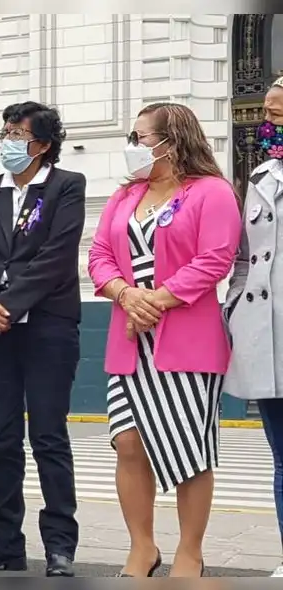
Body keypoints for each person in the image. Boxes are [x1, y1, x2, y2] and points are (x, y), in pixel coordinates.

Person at [87, 102, 241, 577]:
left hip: (187, 339)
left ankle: (189, 552)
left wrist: (157, 300)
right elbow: (98, 254)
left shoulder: (211, 192)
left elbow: (216, 258)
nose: (132, 147)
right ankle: (142, 548)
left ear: (171, 141)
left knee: (190, 447)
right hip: (130, 339)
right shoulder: (125, 196)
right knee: (128, 442)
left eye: (140, 137)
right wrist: (125, 294)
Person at [0, 102, 84, 577]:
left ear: (43, 144)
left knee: (48, 435)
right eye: (4, 131)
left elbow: (56, 256)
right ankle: (4, 540)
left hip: (48, 325)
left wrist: (9, 306)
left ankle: (60, 545)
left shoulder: (65, 186)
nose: (8, 141)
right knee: (2, 436)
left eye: (18, 134)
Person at [222, 75, 283, 578]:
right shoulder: (262, 174)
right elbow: (243, 258)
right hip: (265, 334)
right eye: (268, 114)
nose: (269, 122)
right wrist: (233, 308)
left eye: (279, 114)